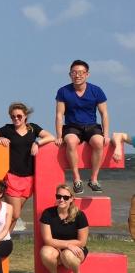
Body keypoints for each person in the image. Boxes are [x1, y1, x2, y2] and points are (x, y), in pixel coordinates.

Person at [0, 103, 54, 232]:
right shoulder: (8, 129)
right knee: (15, 214)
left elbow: (51, 137)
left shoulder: (33, 128)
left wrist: (37, 142)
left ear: (25, 116)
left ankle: (4, 239)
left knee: (14, 215)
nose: (16, 119)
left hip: (29, 178)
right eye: (13, 116)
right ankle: (1, 238)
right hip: (12, 176)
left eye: (19, 116)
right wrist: (0, 138)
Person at [55, 60, 109, 194]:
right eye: (74, 72)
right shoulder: (63, 91)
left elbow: (104, 114)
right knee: (71, 142)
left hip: (91, 126)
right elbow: (59, 115)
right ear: (70, 74)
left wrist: (106, 135)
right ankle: (77, 179)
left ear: (87, 74)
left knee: (98, 142)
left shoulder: (96, 90)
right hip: (72, 127)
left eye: (81, 72)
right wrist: (59, 136)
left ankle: (94, 179)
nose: (77, 75)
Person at [40, 183, 89, 273]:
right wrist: (67, 244)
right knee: (45, 252)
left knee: (68, 255)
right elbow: (47, 240)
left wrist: (69, 247)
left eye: (65, 197)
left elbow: (82, 242)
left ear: (72, 199)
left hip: (76, 250)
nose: (61, 200)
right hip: (55, 248)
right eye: (58, 196)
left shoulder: (80, 215)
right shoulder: (47, 213)